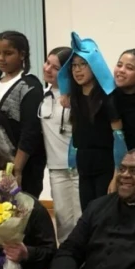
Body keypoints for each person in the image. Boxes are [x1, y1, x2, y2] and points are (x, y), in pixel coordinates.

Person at [60, 36, 126, 211]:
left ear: (95, 65)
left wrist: (117, 174)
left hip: (105, 163)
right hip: (83, 164)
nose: (77, 70)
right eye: (74, 65)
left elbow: (119, 137)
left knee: (105, 213)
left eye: (83, 64)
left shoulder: (108, 97)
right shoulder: (74, 97)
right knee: (87, 213)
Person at [0, 31, 46, 198]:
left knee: (21, 207)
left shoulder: (29, 85)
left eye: (8, 53)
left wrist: (17, 168)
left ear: (22, 54)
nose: (1, 58)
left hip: (23, 165)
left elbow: (31, 130)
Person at [38, 46, 80, 243]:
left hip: (79, 168)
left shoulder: (77, 97)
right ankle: (65, 258)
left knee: (81, 219)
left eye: (55, 68)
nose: (47, 69)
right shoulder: (42, 95)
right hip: (56, 169)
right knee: (63, 221)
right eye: (47, 63)